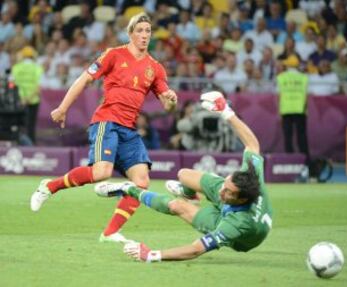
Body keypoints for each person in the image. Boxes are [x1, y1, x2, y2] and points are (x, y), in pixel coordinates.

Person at [30, 13, 177, 243]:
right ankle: (49, 186)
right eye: (140, 31)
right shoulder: (114, 54)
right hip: (106, 121)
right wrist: (62, 108)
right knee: (101, 173)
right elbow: (83, 79)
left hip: (129, 129)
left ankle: (110, 233)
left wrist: (171, 99)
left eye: (148, 31)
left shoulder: (155, 68)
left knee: (142, 182)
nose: (144, 35)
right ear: (130, 34)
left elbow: (167, 105)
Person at [95, 91, 272, 262]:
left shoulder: (236, 225)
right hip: (234, 205)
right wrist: (226, 111)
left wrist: (151, 255)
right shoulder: (250, 176)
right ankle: (189, 194)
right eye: (225, 186)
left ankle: (128, 188)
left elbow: (196, 249)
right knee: (183, 174)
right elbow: (252, 144)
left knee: (176, 206)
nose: (221, 192)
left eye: (228, 192)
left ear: (241, 200)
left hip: (232, 229)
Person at [11, 45, 43, 145]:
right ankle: (31, 148)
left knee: (17, 126)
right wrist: (29, 99)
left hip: (18, 102)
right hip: (33, 101)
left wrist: (22, 99)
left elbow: (11, 85)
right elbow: (39, 88)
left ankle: (18, 146)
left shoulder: (16, 68)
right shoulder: (38, 68)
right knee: (31, 126)